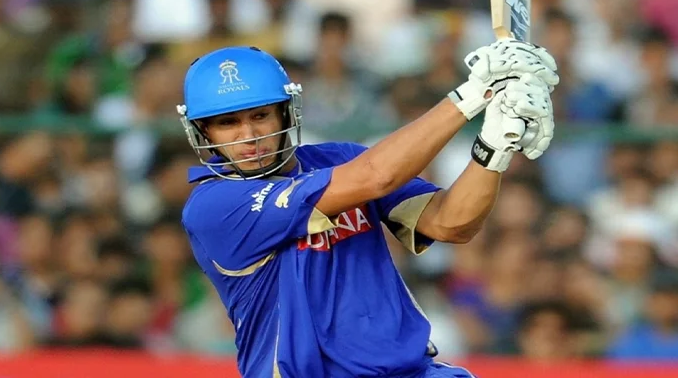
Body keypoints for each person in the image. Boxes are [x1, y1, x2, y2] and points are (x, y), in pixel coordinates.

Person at [178, 42, 558, 378]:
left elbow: (451, 223)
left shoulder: (337, 158)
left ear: (285, 112)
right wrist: (477, 93)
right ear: (203, 133)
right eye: (228, 123)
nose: (250, 136)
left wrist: (494, 144)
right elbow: (376, 177)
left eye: (260, 115)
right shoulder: (214, 206)